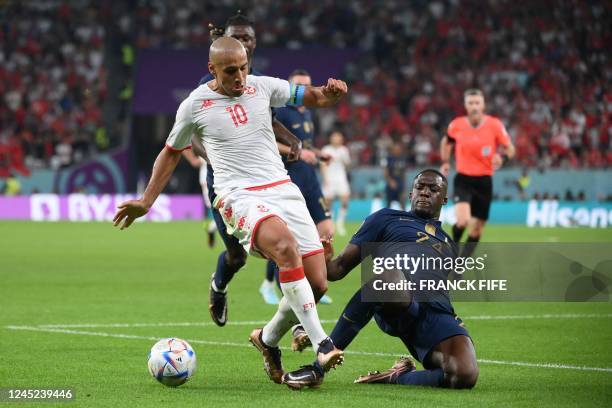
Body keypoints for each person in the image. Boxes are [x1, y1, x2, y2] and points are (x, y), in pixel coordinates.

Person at [113, 37, 347, 387]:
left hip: (283, 189)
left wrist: (330, 94)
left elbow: (311, 96)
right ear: (212, 69)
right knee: (284, 248)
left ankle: (267, 340)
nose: (239, 77)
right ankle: (322, 343)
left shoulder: (263, 87)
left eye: (243, 68)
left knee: (316, 283)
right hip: (237, 196)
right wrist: (147, 201)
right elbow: (171, 151)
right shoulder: (195, 105)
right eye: (230, 71)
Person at [282, 170, 478, 389]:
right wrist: (322, 258)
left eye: (433, 189)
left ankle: (397, 376)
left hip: (436, 312)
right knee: (388, 276)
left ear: (444, 199)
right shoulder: (385, 218)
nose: (425, 192)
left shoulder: (449, 244)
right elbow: (337, 270)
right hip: (396, 298)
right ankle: (318, 367)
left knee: (464, 375)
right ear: (411, 193)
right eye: (420, 187)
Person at [200, 13, 302, 309]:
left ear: (254, 43)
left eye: (247, 38)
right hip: (227, 183)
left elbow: (267, 120)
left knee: (286, 246)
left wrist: (292, 139)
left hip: (263, 178)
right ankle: (219, 286)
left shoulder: (256, 82)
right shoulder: (209, 83)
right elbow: (193, 133)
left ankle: (292, 319)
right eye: (236, 37)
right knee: (237, 257)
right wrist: (217, 158)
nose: (242, 42)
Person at [272, 69, 334, 352]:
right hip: (288, 177)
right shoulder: (280, 111)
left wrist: (317, 154)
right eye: (301, 87)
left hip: (309, 176)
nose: (307, 92)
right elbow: (271, 142)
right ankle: (289, 300)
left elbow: (306, 146)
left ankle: (312, 289)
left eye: (310, 87)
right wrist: (294, 151)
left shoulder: (307, 114)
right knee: (286, 244)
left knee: (327, 232)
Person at [440, 89, 515, 257]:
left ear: (483, 105)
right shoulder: (457, 125)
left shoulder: (495, 125)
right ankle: (453, 250)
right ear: (466, 105)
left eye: (477, 103)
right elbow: (446, 142)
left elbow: (510, 149)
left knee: (477, 229)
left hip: (484, 181)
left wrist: (502, 158)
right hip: (463, 179)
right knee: (463, 221)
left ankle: (461, 263)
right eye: (470, 103)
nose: (474, 106)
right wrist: (445, 161)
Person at [321, 131, 351, 236]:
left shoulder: (344, 150)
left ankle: (340, 223)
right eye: (334, 137)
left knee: (345, 200)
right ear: (331, 138)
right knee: (328, 203)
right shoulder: (326, 150)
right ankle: (331, 224)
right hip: (330, 179)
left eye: (338, 137)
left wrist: (344, 161)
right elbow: (323, 165)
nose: (336, 139)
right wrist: (325, 179)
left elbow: (347, 164)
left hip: (341, 179)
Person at [384, 142, 407, 209]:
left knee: (402, 202)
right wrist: (390, 181)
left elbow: (403, 173)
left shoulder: (403, 159)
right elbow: (386, 172)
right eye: (396, 149)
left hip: (400, 184)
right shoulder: (389, 159)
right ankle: (388, 218)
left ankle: (403, 217)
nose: (398, 150)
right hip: (391, 184)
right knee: (389, 204)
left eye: (399, 149)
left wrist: (404, 186)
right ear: (393, 150)